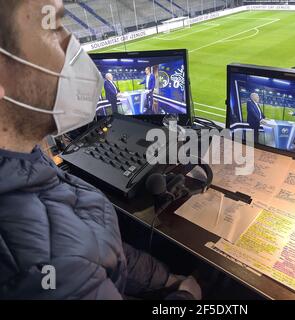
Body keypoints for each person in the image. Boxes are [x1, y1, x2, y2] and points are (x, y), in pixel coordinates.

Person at [0, 0, 201, 300]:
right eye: (51, 28)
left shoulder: (27, 160)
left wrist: (167, 278)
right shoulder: (50, 268)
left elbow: (97, 246)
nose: (72, 42)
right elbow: (76, 258)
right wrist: (185, 297)